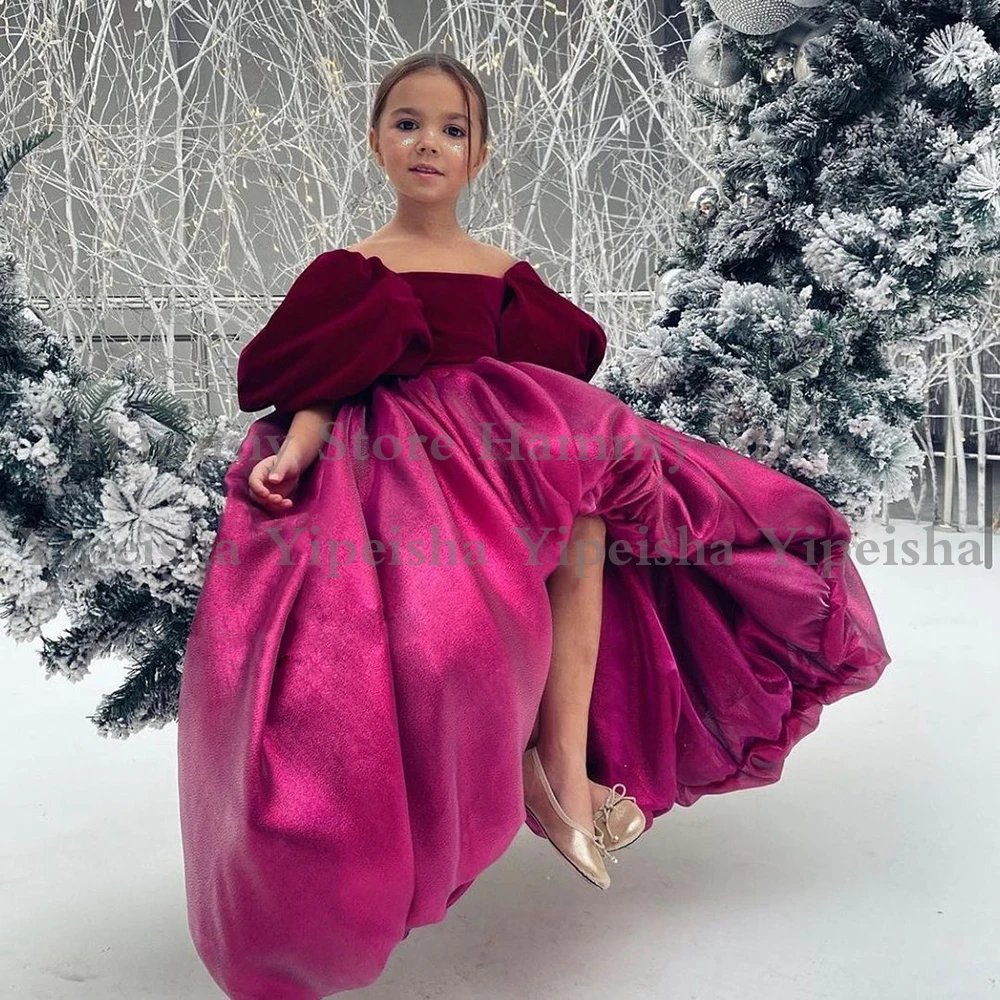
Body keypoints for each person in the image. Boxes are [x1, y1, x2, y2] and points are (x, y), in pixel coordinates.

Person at [177, 51, 891, 999]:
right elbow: (320, 383)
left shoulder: (504, 274)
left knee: (586, 535)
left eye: (453, 128)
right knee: (440, 639)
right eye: (407, 122)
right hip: (390, 469)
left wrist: (548, 447)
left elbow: (556, 392)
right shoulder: (351, 269)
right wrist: (296, 453)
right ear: (375, 142)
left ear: (479, 155)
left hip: (509, 457)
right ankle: (476, 794)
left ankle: (563, 766)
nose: (428, 142)